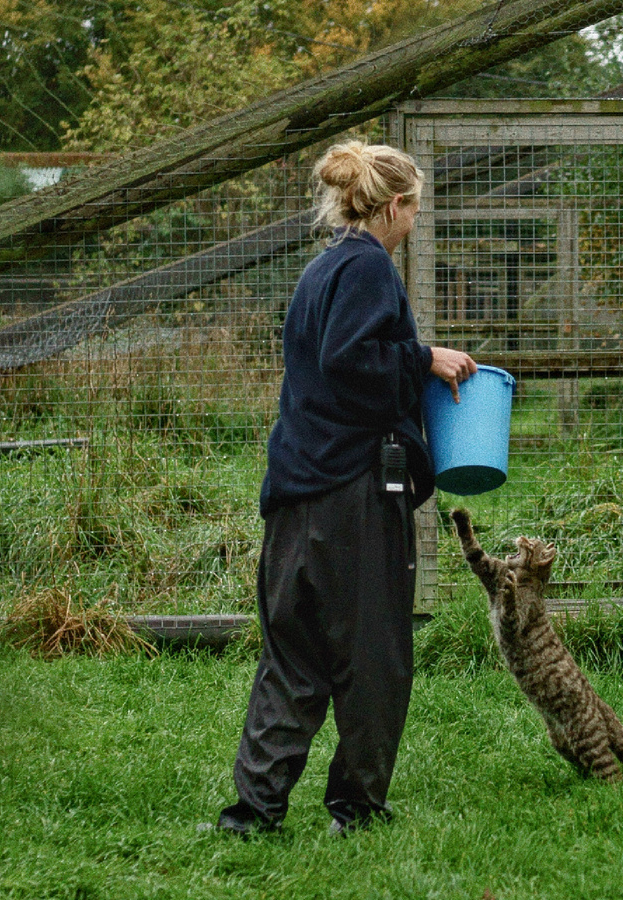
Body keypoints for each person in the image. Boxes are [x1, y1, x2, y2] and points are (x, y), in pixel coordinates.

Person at [212, 140, 476, 837]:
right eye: (414, 209)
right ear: (393, 205)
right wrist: (425, 357)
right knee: (374, 655)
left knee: (292, 659)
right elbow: (352, 360)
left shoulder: (321, 269)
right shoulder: (367, 268)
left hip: (297, 489)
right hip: (352, 491)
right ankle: (358, 809)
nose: (416, 222)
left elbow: (325, 367)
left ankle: (253, 812)